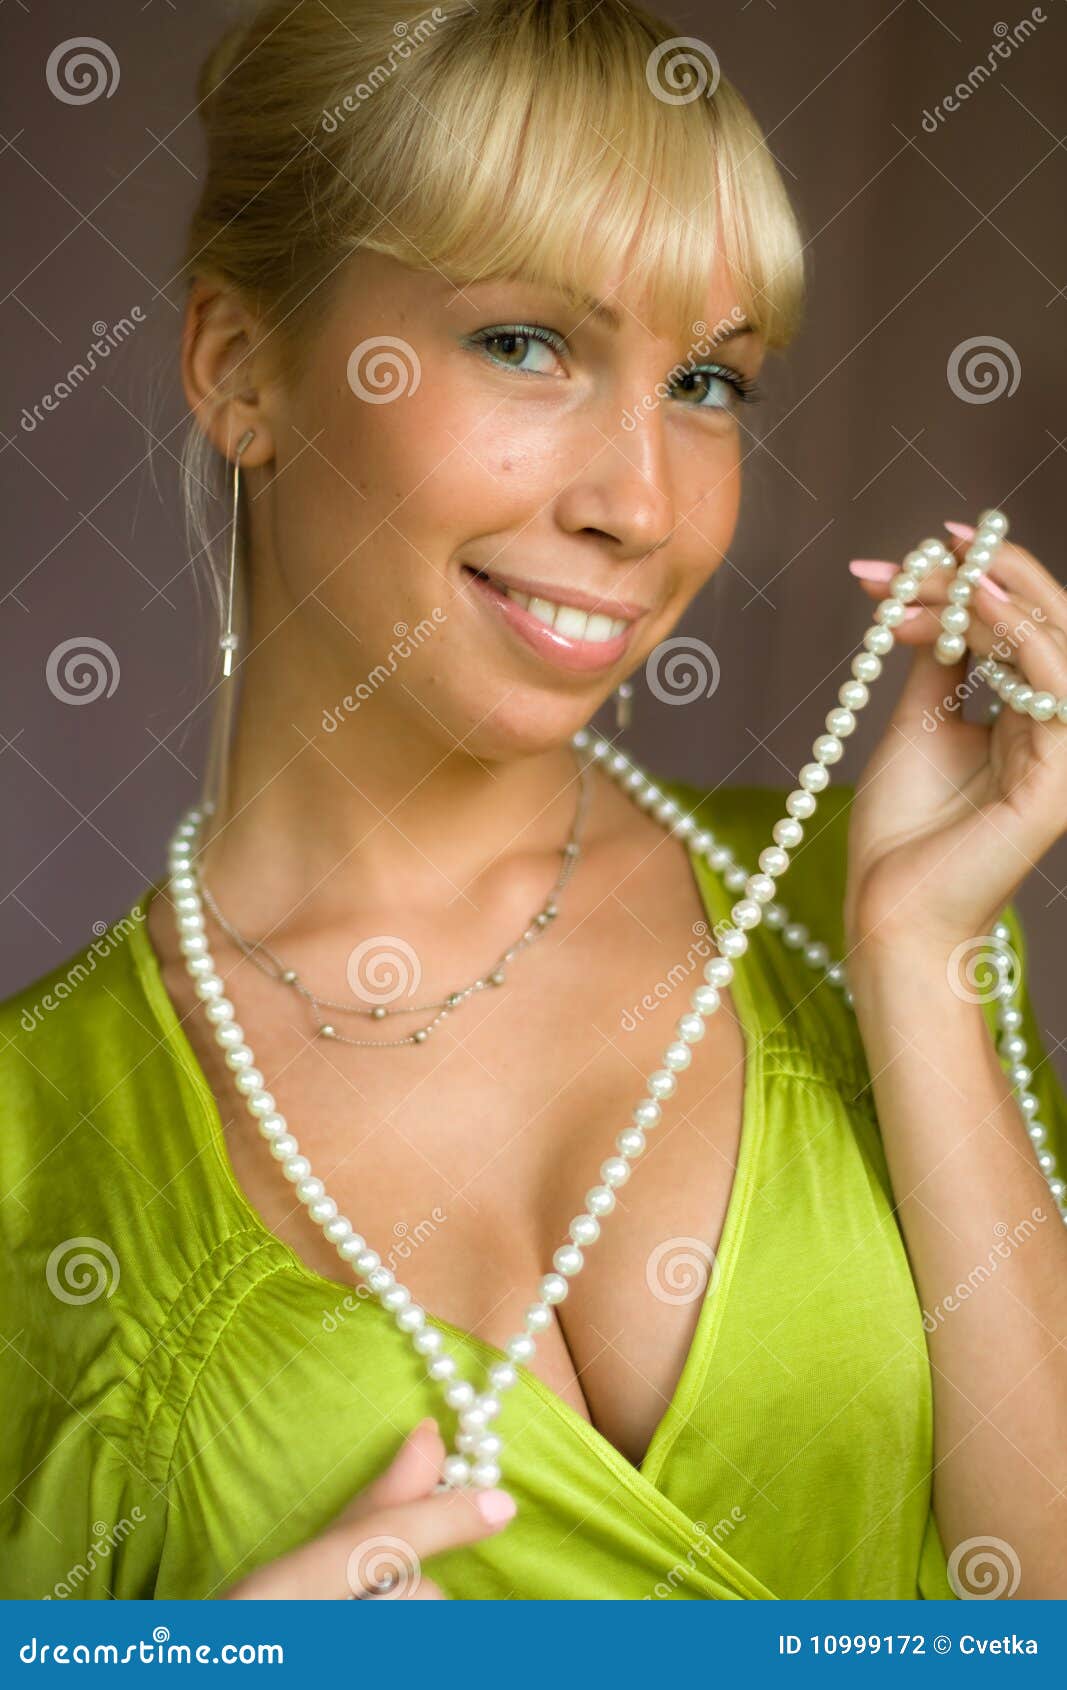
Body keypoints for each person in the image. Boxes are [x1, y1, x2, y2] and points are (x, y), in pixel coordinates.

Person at [3, 0, 1066, 1602]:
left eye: (708, 380)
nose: (640, 502)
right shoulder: (35, 1145)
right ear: (242, 371)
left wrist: (917, 960)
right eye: (525, 343)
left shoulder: (874, 903)